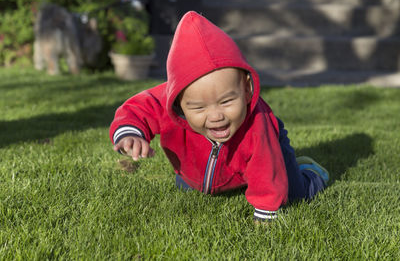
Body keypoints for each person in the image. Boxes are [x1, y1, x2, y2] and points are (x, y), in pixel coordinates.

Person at [109, 11, 329, 222]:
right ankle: (205, 179)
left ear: (246, 90)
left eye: (226, 102)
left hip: (270, 150)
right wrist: (131, 134)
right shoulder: (169, 101)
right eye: (198, 107)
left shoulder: (257, 125)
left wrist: (265, 212)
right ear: (178, 103)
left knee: (294, 192)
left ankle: (310, 172)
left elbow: (267, 170)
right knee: (189, 186)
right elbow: (138, 109)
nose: (216, 116)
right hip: (200, 169)